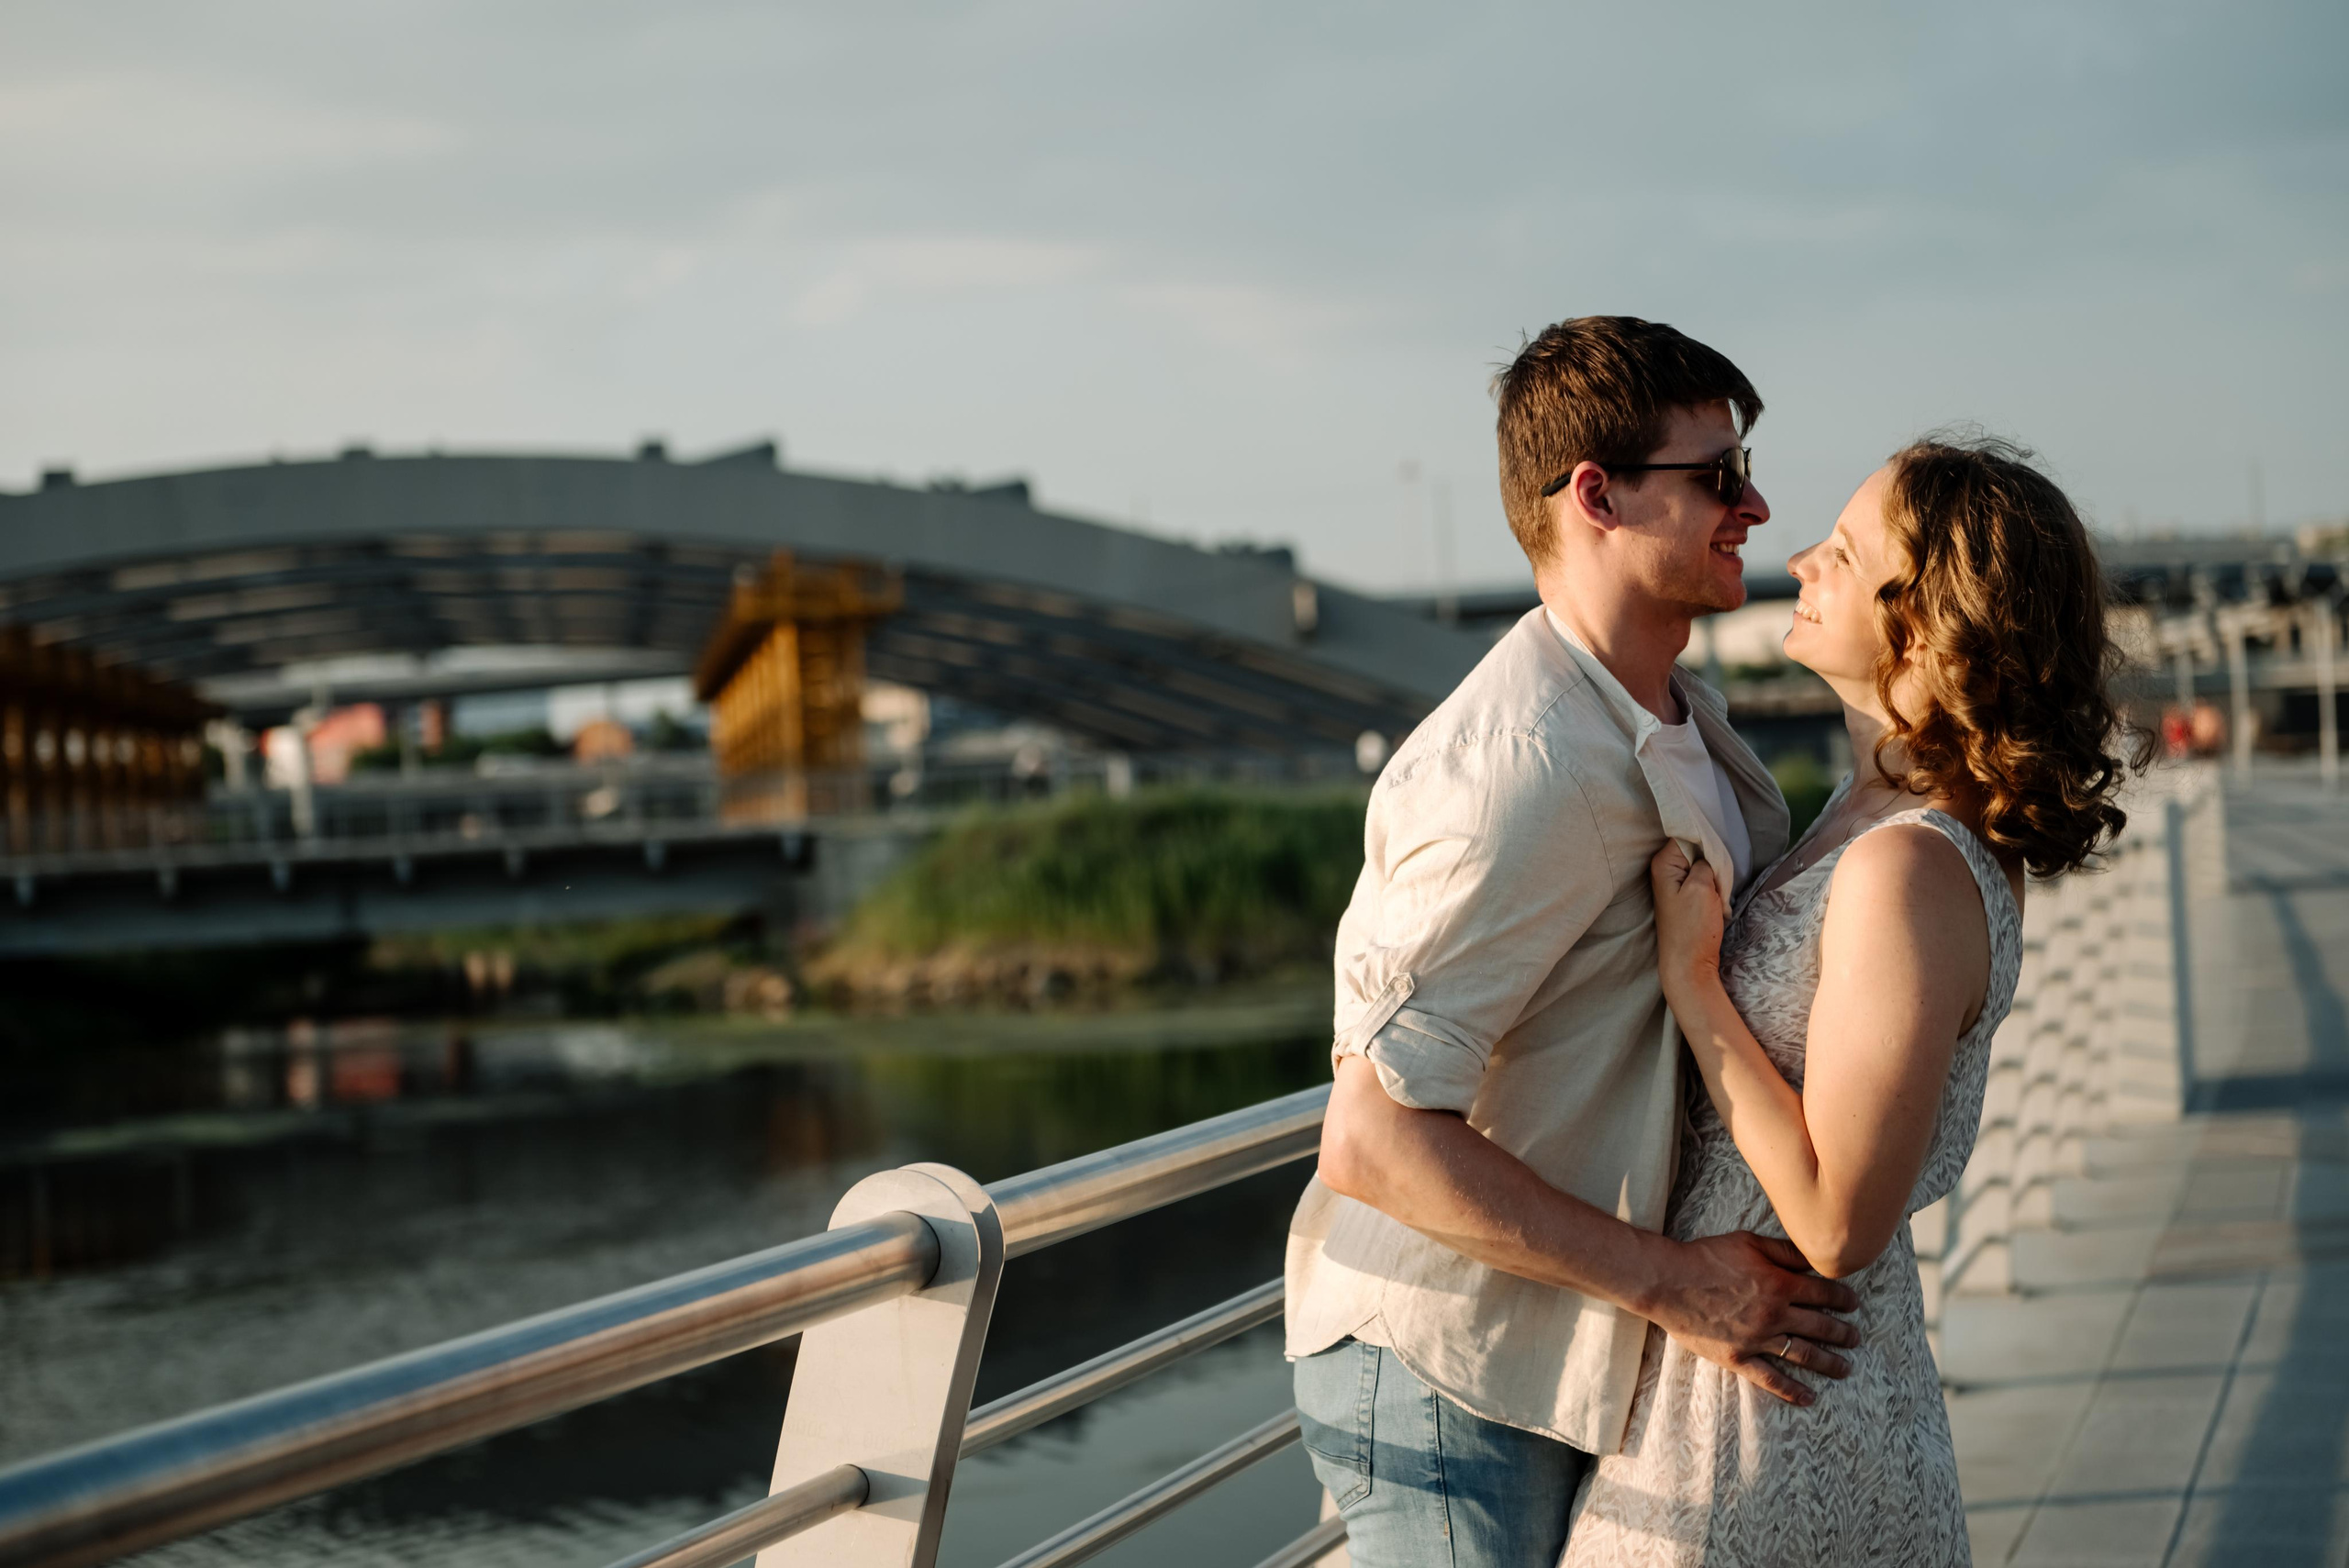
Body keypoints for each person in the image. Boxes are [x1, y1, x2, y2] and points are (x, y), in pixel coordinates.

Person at [1287, 317, 1865, 1568]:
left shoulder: (1675, 715)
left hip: (1558, 1351)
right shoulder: (1521, 766)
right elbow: (1373, 1137)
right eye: (1714, 476)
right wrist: (1678, 1283)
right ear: (1595, 495)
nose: (1755, 506)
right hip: (1452, 1373)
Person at [1561, 437, 2140, 1565]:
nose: (1800, 563)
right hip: (1757, 1381)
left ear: (1921, 623)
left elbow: (1835, 1218)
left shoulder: (1908, 866)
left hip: (1769, 1422)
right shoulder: (1866, 816)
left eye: (1839, 551)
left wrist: (1693, 981)